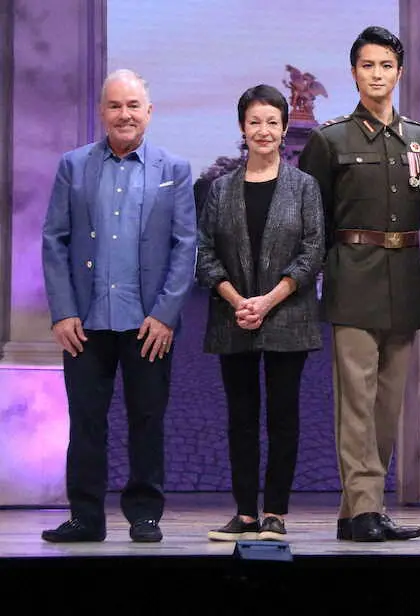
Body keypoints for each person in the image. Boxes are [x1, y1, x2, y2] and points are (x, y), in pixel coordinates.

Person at [41, 69, 197, 543]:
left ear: (149, 112)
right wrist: (63, 311)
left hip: (149, 323)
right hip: (84, 323)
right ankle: (85, 517)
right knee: (86, 422)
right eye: (115, 106)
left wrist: (166, 314)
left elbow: (185, 246)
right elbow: (54, 240)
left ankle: (145, 515)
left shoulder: (174, 169)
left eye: (133, 106)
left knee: (146, 420)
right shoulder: (73, 166)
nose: (124, 114)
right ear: (101, 112)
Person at [298, 26, 420, 543]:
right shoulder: (329, 140)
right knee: (356, 403)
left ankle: (356, 510)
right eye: (368, 66)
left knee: (387, 405)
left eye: (386, 66)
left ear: (400, 72)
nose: (377, 75)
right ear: (353, 73)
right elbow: (313, 219)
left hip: (406, 280)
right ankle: (366, 508)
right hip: (353, 278)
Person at [197, 85, 324, 542]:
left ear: (285, 128)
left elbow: (313, 251)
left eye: (273, 122)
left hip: (288, 316)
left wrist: (269, 300)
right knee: (242, 419)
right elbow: (205, 253)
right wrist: (239, 302)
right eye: (255, 122)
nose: (264, 130)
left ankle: (275, 513)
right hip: (234, 318)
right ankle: (245, 514)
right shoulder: (220, 190)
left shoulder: (304, 187)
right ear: (242, 128)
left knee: (284, 417)